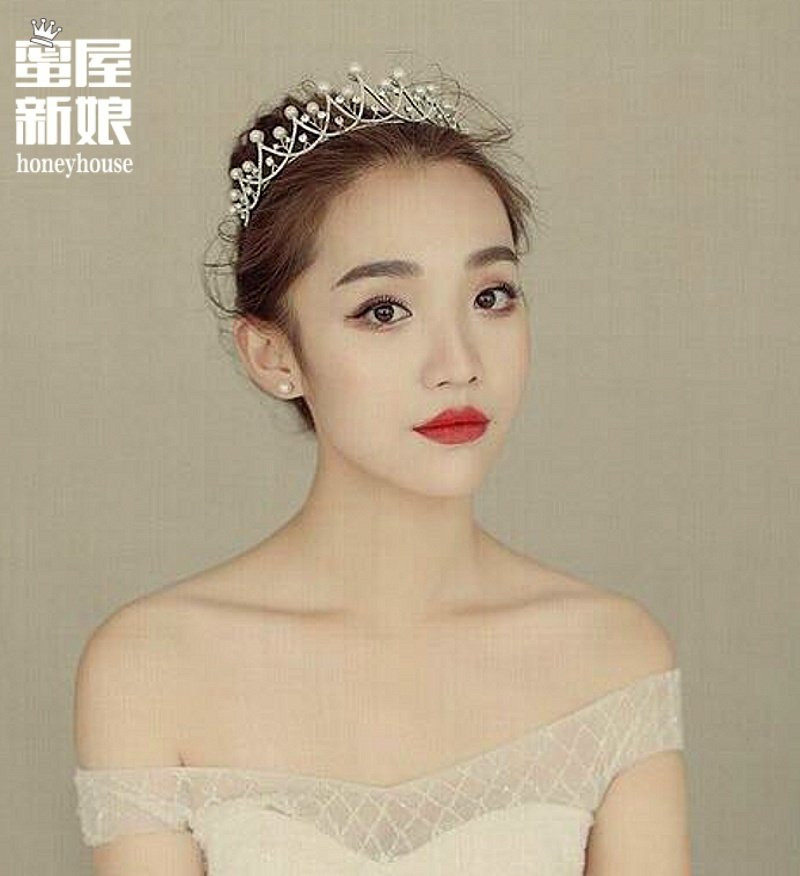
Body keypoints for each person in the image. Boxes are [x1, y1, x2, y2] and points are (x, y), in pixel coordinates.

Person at [72, 61, 692, 875]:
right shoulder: (152, 666)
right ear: (273, 355)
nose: (459, 364)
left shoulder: (612, 657)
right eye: (384, 310)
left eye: (491, 296)